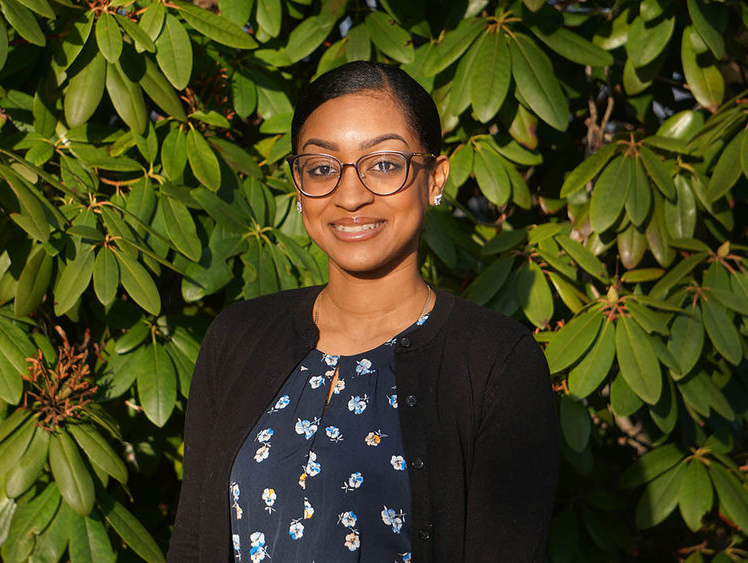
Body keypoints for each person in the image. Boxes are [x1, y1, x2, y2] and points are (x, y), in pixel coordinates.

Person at [167, 61, 558, 562]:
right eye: (322, 168)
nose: (350, 195)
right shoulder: (238, 337)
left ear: (434, 178)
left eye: (384, 164)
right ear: (298, 183)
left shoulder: (494, 365)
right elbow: (194, 544)